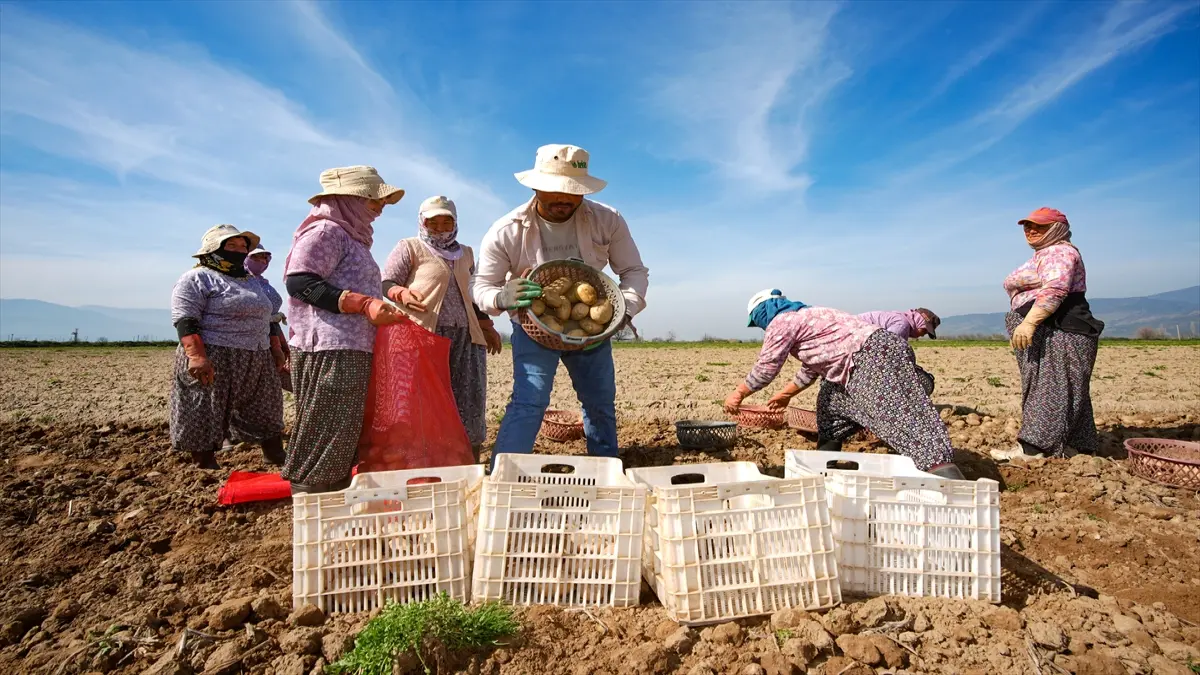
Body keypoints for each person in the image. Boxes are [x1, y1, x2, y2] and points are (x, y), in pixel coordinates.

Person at [473, 144, 649, 466]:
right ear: (536, 185)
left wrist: (626, 308)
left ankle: (605, 471)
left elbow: (633, 271)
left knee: (600, 404)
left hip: (591, 334)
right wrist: (500, 297)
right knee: (529, 402)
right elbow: (481, 285)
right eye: (555, 190)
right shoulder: (506, 230)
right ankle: (505, 475)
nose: (564, 199)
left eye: (574, 191)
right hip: (533, 329)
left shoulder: (607, 220)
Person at [724, 289, 966, 479]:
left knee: (898, 418)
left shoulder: (782, 321)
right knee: (830, 405)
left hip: (869, 357)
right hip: (866, 356)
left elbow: (767, 367)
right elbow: (812, 367)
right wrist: (786, 395)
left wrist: (738, 394)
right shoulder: (812, 315)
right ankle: (824, 466)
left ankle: (944, 475)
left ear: (763, 313)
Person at [282, 165, 406, 494]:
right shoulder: (325, 231)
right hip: (329, 348)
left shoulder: (351, 236)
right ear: (348, 199)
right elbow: (299, 282)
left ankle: (331, 494)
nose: (379, 208)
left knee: (341, 430)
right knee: (325, 431)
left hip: (350, 346)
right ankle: (310, 498)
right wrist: (363, 304)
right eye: (372, 200)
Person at [382, 195, 503, 461]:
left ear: (455, 222)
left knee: (469, 397)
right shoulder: (409, 247)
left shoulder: (467, 253)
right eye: (432, 222)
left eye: (446, 221)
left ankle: (466, 457)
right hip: (424, 333)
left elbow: (475, 293)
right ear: (422, 222)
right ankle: (422, 458)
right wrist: (400, 292)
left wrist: (486, 324)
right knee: (424, 399)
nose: (440, 227)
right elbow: (386, 282)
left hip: (466, 336)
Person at [991, 207, 1103, 462]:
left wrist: (1029, 323)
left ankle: (1034, 448)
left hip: (1059, 329)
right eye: (1027, 226)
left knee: (1049, 387)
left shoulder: (1059, 252)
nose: (1031, 230)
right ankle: (1079, 446)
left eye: (1039, 226)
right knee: (1067, 388)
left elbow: (1055, 289)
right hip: (1054, 329)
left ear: (1057, 229)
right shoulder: (1046, 253)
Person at [169, 224, 285, 470]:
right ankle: (204, 463)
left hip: (257, 352)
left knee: (266, 404)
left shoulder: (250, 281)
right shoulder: (197, 278)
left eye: (243, 246)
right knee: (205, 406)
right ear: (214, 249)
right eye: (231, 246)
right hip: (215, 351)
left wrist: (275, 348)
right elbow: (186, 319)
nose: (239, 250)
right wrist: (196, 356)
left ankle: (275, 455)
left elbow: (268, 316)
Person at [856, 308, 940, 395]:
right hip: (853, 333)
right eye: (924, 330)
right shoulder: (902, 325)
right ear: (919, 322)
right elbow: (885, 349)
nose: (923, 335)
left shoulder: (903, 323)